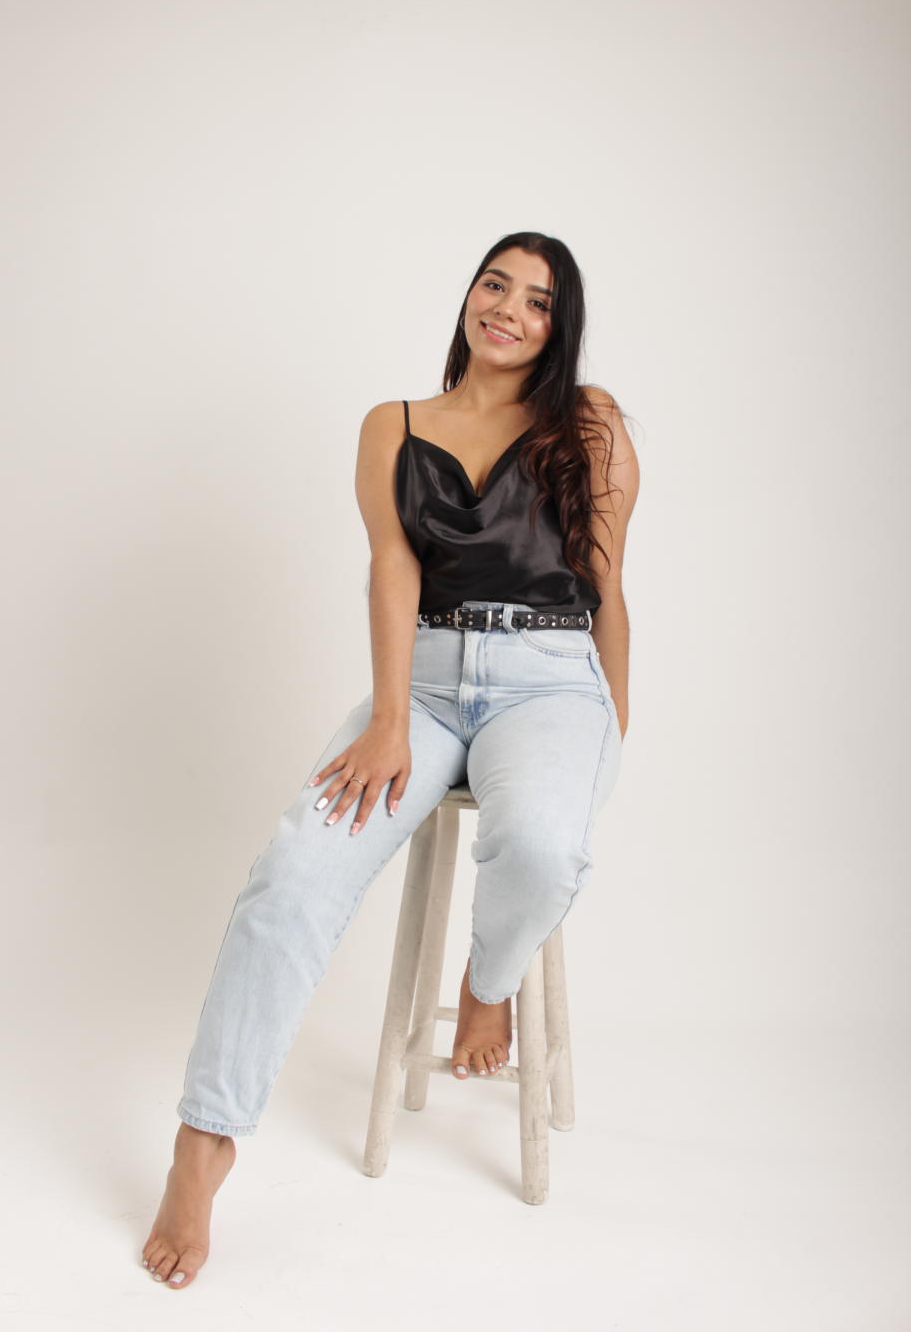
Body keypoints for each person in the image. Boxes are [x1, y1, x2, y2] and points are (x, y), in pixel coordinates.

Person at [141, 230, 639, 1288]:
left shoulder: (587, 423)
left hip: (552, 679)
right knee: (293, 875)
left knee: (543, 846)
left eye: (537, 301)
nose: (507, 309)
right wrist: (389, 722)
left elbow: (608, 585)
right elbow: (392, 568)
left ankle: (488, 980)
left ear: (558, 328)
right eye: (494, 284)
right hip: (424, 678)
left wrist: (610, 725)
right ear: (469, 295)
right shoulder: (393, 425)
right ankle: (204, 1140)